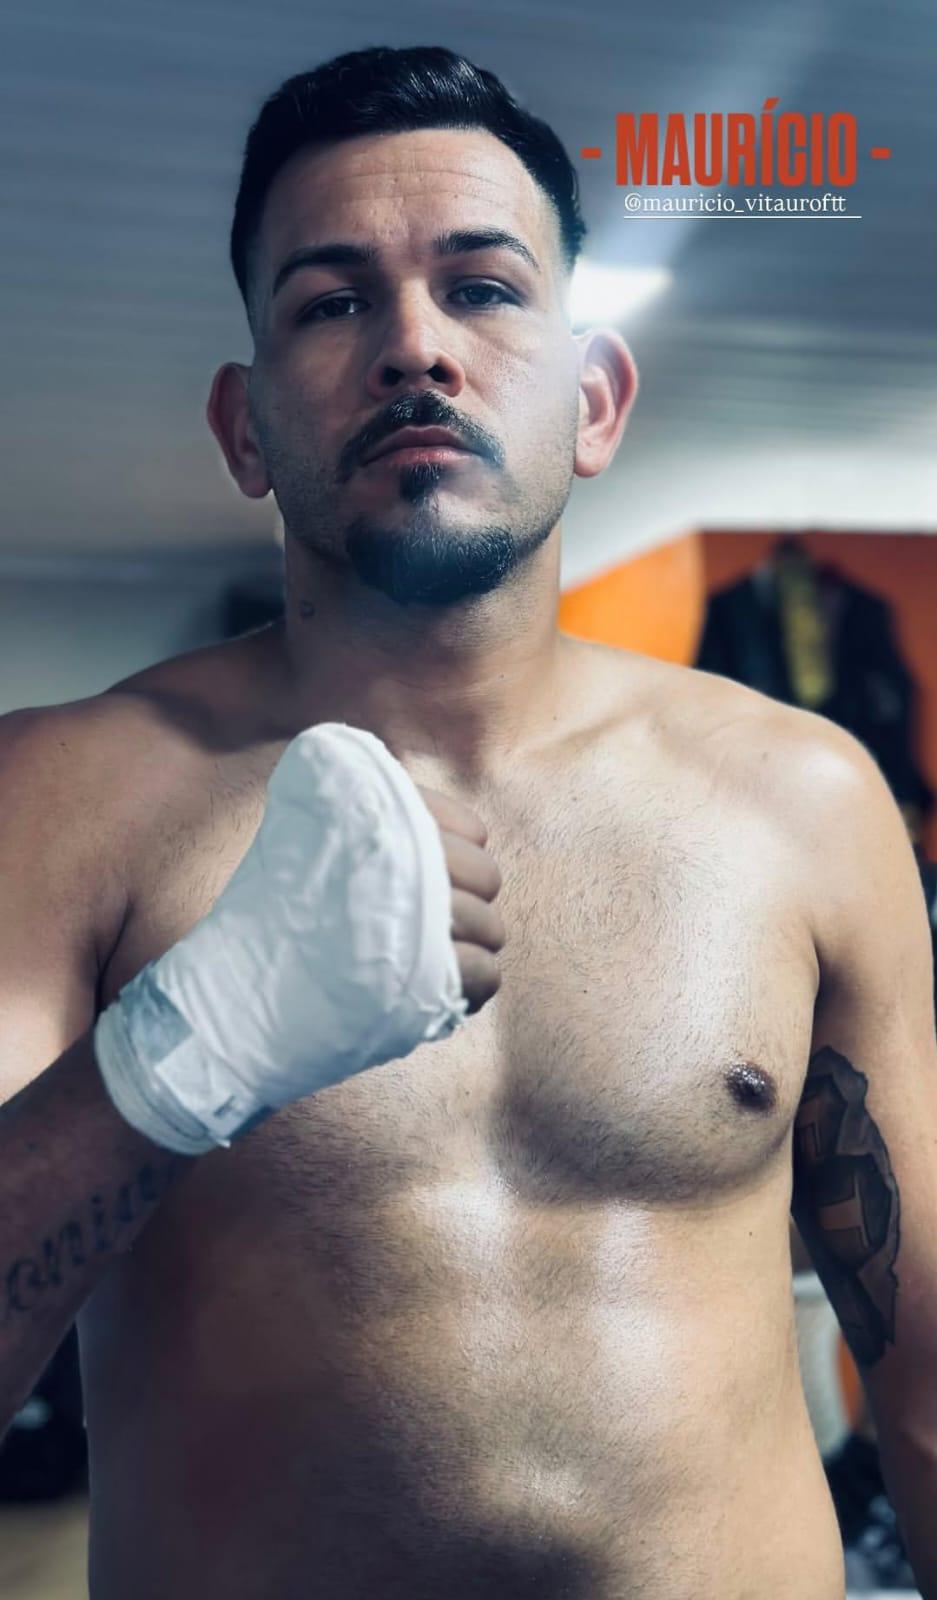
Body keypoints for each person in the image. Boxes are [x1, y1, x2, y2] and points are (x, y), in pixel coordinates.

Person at [1, 43, 936, 1600]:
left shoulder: (804, 799)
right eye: (330, 303)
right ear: (243, 429)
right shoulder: (59, 798)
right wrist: (175, 1058)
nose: (414, 347)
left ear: (595, 400)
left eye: (483, 289)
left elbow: (926, 1386)